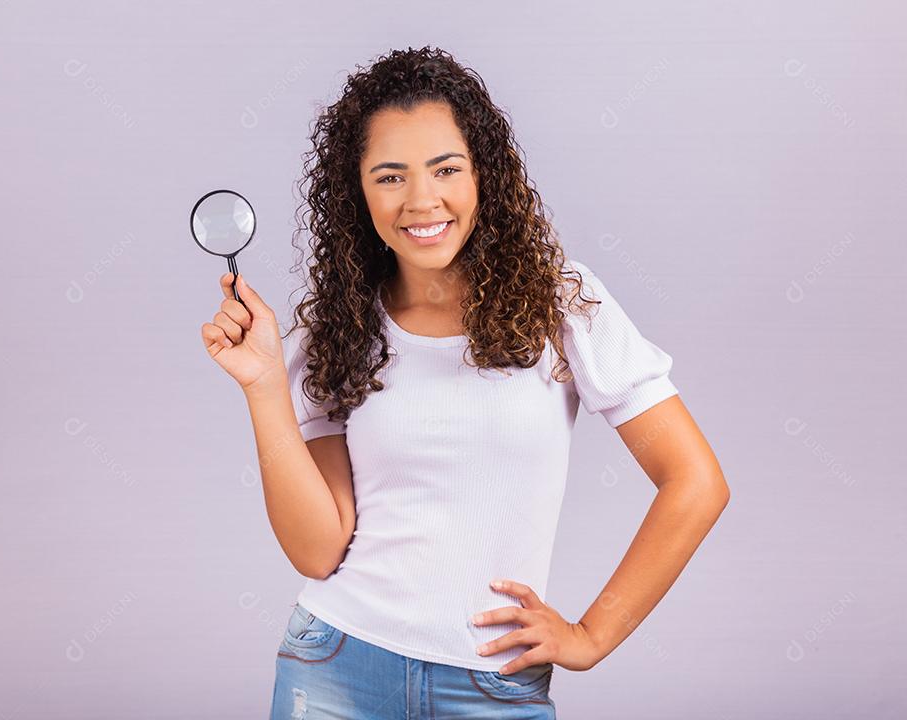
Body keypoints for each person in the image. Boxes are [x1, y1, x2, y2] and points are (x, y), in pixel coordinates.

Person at [201, 46, 729, 720]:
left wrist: (592, 636)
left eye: (446, 168)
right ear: (357, 193)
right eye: (390, 176)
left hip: (493, 685)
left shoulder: (561, 305)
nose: (422, 200)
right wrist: (263, 386)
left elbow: (695, 481)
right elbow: (318, 548)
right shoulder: (340, 328)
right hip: (336, 667)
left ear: (484, 174)